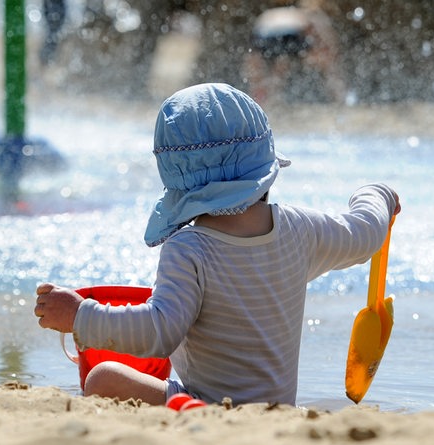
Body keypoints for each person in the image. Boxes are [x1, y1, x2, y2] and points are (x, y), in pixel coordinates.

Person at [34, 83, 400, 406]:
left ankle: (186, 410)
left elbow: (158, 332)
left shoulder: (189, 248)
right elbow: (365, 233)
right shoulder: (299, 229)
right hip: (277, 410)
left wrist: (81, 315)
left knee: (103, 378)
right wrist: (377, 194)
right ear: (263, 165)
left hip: (207, 406)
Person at [242, 1, 346, 104]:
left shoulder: (271, 13)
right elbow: (323, 38)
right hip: (290, 33)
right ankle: (340, 96)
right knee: (327, 62)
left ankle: (259, 99)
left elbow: (254, 40)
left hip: (262, 34)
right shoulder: (309, 13)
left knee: (276, 66)